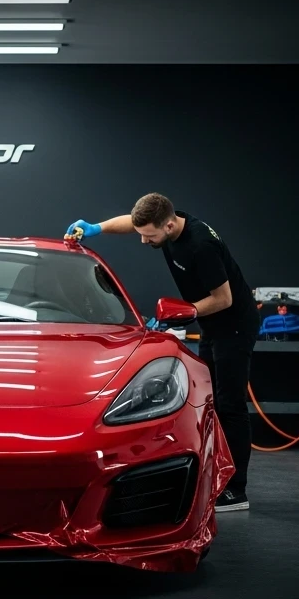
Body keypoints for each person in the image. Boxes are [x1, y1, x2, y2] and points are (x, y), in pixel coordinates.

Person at [67, 192, 258, 511]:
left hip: (234, 326)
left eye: (149, 236)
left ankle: (237, 491)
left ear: (168, 226)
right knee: (212, 403)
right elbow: (132, 223)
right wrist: (95, 229)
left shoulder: (201, 246)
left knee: (231, 404)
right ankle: (219, 475)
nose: (143, 241)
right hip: (214, 326)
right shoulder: (167, 222)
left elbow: (224, 299)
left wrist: (186, 311)